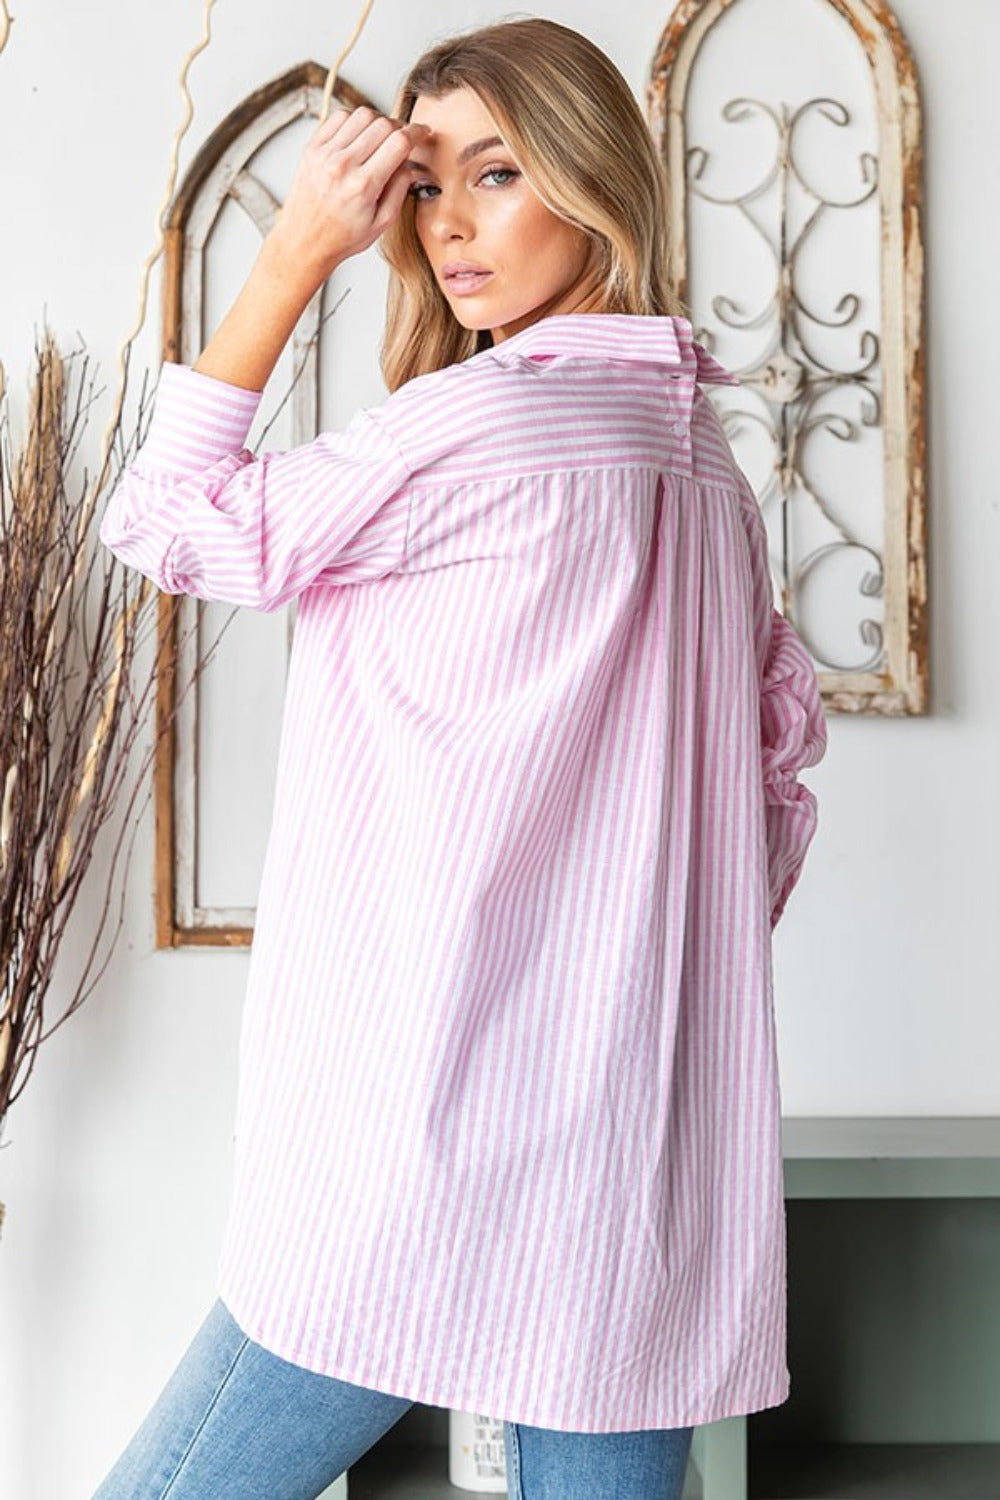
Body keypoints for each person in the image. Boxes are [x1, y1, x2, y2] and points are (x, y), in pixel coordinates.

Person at [93, 16, 827, 1500]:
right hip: (633, 1156)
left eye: (497, 174)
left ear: (594, 176)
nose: (449, 227)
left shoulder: (483, 432)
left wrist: (296, 253)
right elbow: (774, 797)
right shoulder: (704, 465)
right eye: (424, 189)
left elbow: (167, 525)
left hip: (421, 1123)